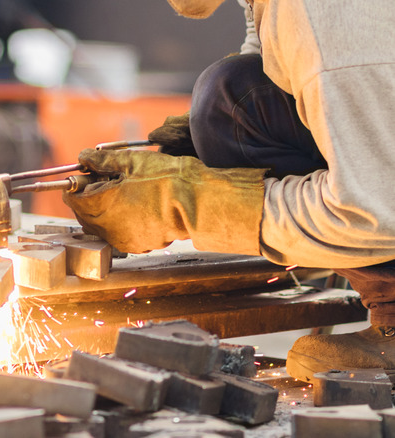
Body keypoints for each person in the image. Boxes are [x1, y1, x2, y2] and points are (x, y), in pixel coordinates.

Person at [62, 0, 395, 382]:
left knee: (226, 103)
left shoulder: (322, 12)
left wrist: (187, 202)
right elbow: (261, 73)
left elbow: (374, 211)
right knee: (229, 101)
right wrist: (206, 139)